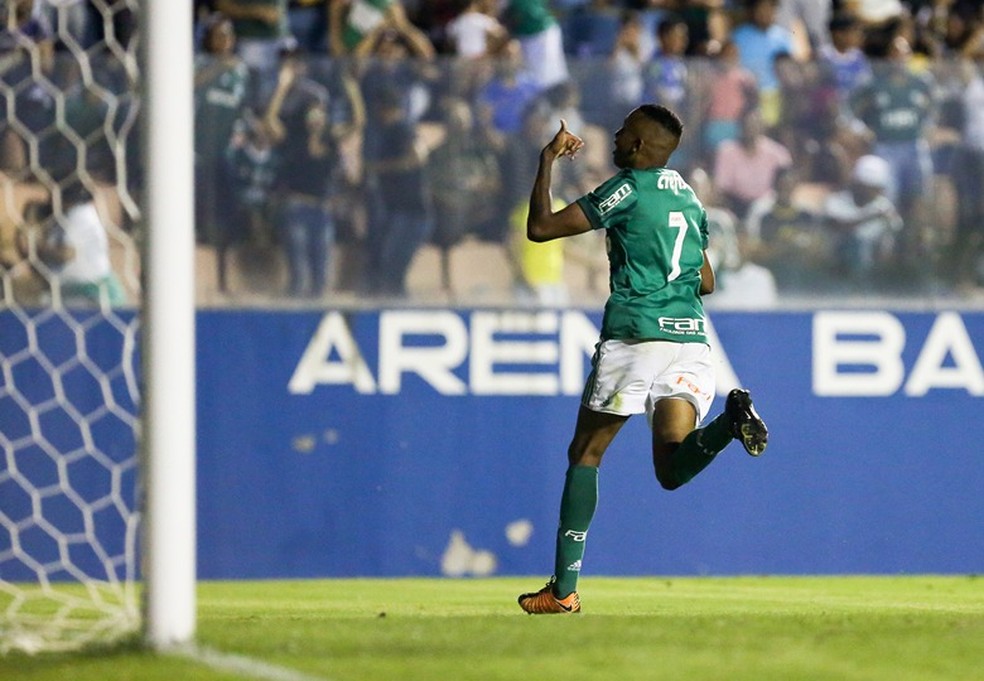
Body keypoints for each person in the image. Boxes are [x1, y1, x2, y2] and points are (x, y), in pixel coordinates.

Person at [516, 104, 769, 615]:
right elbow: (706, 281)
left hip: (635, 338)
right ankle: (728, 423)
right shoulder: (687, 196)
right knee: (672, 469)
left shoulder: (626, 188)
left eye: (623, 130)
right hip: (692, 342)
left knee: (585, 454)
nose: (614, 134)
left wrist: (547, 162)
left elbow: (541, 229)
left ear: (636, 146)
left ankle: (562, 591)